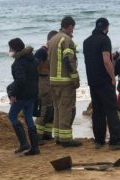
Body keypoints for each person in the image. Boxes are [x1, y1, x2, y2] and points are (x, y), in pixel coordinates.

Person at [83, 18, 120, 150]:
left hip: (92, 81)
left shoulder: (86, 41)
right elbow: (106, 61)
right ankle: (115, 141)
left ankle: (99, 141)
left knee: (97, 111)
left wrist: (111, 54)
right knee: (111, 110)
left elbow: (93, 57)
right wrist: (112, 77)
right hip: (104, 81)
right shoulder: (105, 39)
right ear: (106, 27)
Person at [48, 16, 82, 147]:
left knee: (57, 109)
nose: (72, 31)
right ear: (70, 27)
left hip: (53, 81)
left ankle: (58, 136)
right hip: (65, 81)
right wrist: (75, 77)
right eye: (73, 28)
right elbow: (68, 60)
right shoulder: (67, 40)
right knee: (66, 109)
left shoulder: (52, 40)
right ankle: (66, 140)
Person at [7, 38, 40, 156]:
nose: (9, 50)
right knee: (28, 118)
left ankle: (24, 143)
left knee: (12, 116)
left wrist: (13, 94)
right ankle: (35, 148)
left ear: (15, 49)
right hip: (33, 93)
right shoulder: (33, 59)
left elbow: (20, 80)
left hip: (22, 95)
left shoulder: (17, 64)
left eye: (10, 48)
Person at [35, 30, 58, 145]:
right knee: (43, 110)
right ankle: (37, 138)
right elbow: (34, 68)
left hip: (49, 83)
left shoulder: (51, 51)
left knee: (51, 110)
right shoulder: (41, 52)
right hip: (42, 83)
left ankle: (47, 135)